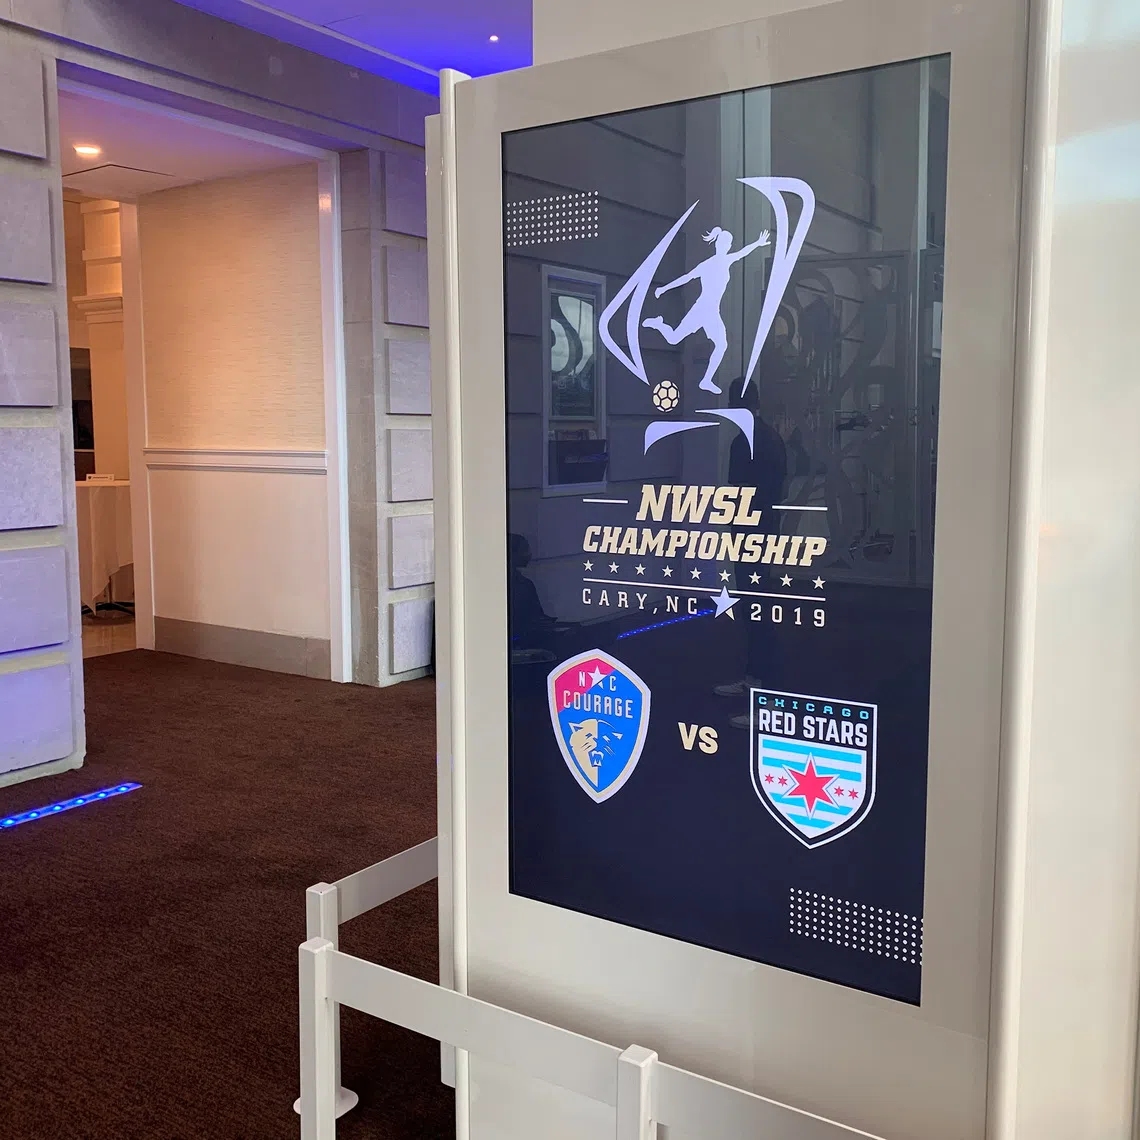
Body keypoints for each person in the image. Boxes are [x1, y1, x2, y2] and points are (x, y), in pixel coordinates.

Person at [714, 375, 788, 726]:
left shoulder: (749, 442)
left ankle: (766, 696)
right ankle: (756, 680)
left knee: (758, 611)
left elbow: (742, 493)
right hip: (759, 533)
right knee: (755, 609)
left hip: (752, 536)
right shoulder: (767, 438)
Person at [642, 227, 771, 394]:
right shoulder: (708, 264)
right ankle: (658, 324)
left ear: (728, 246)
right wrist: (664, 288)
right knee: (674, 339)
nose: (724, 246)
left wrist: (758, 243)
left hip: (712, 311)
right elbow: (686, 277)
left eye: (727, 244)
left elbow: (743, 253)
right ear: (718, 245)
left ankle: (706, 380)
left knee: (722, 345)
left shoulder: (726, 260)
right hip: (702, 308)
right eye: (722, 243)